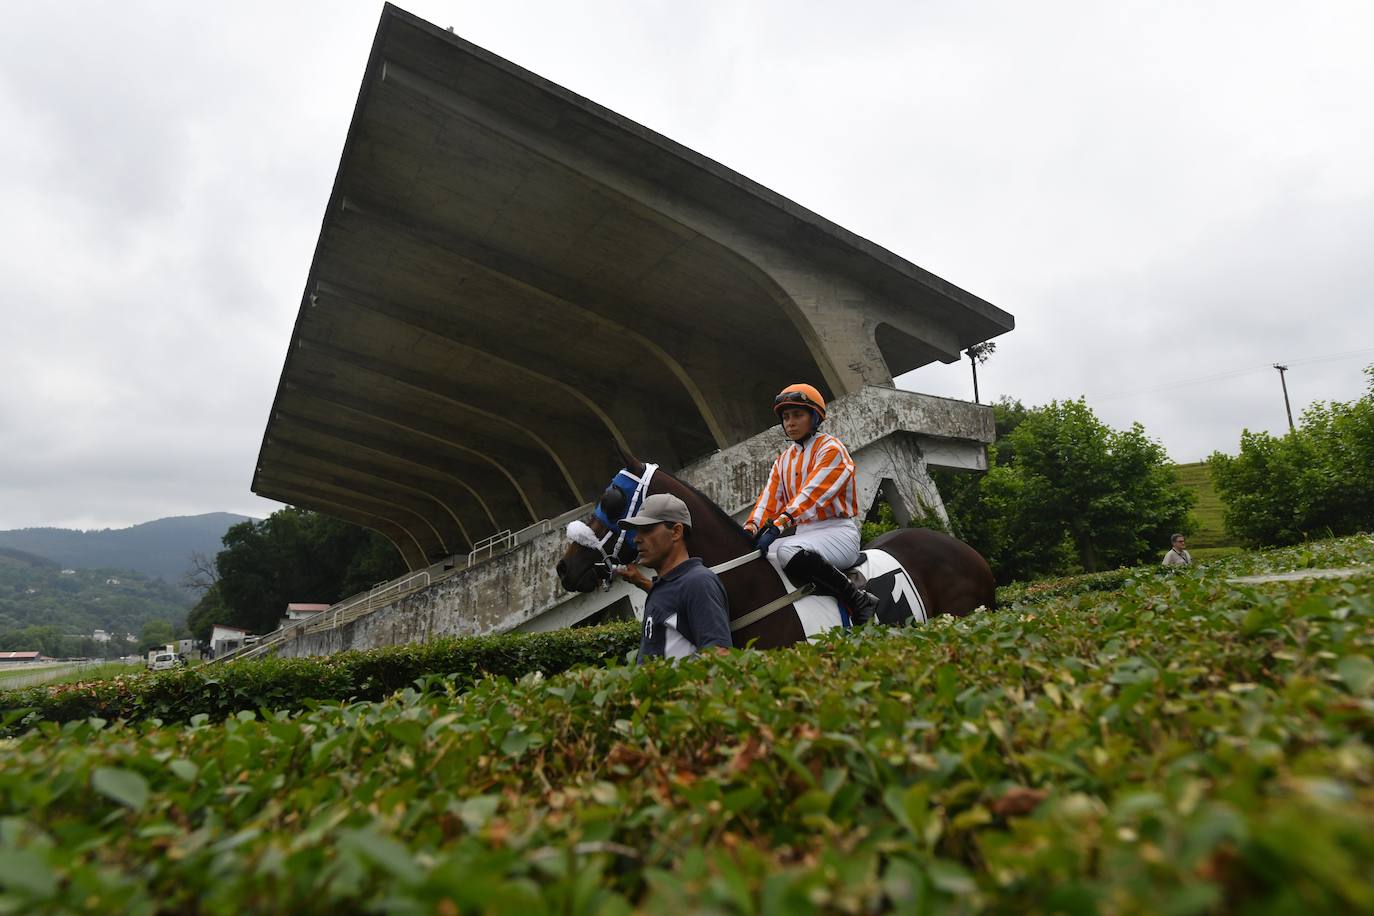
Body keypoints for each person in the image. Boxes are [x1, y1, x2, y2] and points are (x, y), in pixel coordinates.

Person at [743, 384, 881, 624]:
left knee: (786, 551)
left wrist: (778, 526)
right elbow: (768, 501)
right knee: (755, 556)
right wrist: (750, 529)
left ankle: (859, 599)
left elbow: (812, 495)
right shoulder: (782, 461)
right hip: (805, 536)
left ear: (815, 417)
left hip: (838, 533)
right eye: (786, 417)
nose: (790, 423)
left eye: (798, 415)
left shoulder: (832, 449)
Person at [615, 492, 732, 662]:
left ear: (676, 532)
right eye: (637, 531)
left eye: (647, 530)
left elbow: (719, 654)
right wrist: (641, 582)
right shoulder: (668, 584)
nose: (636, 539)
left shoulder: (698, 582)